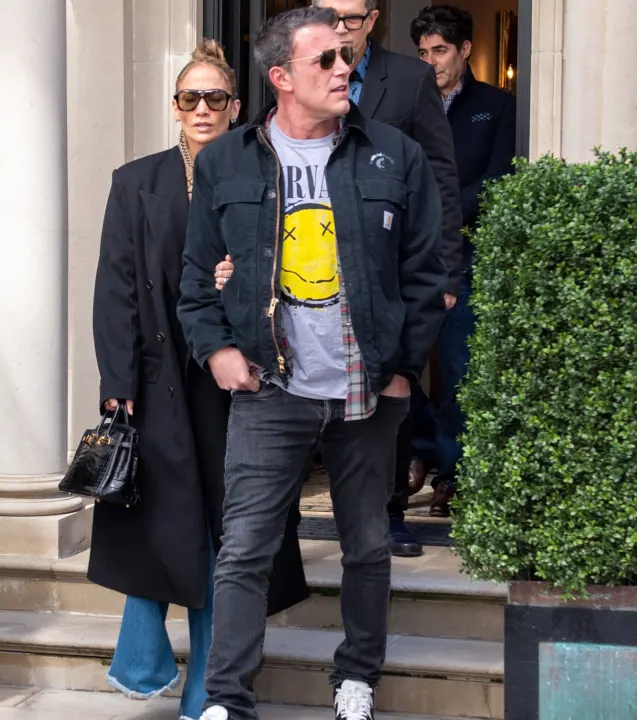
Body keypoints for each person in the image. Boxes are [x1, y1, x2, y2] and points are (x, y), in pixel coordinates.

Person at [177, 7, 446, 720]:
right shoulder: (228, 161)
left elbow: (426, 273)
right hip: (270, 387)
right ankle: (227, 700)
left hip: (366, 389)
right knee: (244, 549)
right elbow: (196, 279)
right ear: (281, 77)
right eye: (324, 59)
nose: (343, 69)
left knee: (367, 545)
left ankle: (357, 677)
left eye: (345, 55)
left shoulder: (393, 154)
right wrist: (218, 351)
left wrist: (402, 365)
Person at [88, 39, 309, 720]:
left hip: (238, 377)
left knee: (229, 529)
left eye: (216, 97)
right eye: (191, 98)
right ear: (175, 106)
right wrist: (118, 380)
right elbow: (116, 288)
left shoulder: (268, 173)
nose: (203, 109)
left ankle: (209, 688)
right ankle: (146, 661)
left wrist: (244, 276)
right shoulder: (136, 181)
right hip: (160, 382)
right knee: (157, 520)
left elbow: (301, 267)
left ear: (236, 107)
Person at [406, 4, 517, 516]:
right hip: (409, 256)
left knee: (458, 369)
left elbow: (497, 184)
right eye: (423, 52)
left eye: (441, 50)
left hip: (467, 258)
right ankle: (418, 450)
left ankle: (452, 473)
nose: (431, 61)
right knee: (398, 364)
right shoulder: (407, 105)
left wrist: (436, 209)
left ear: (465, 50)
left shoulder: (496, 106)